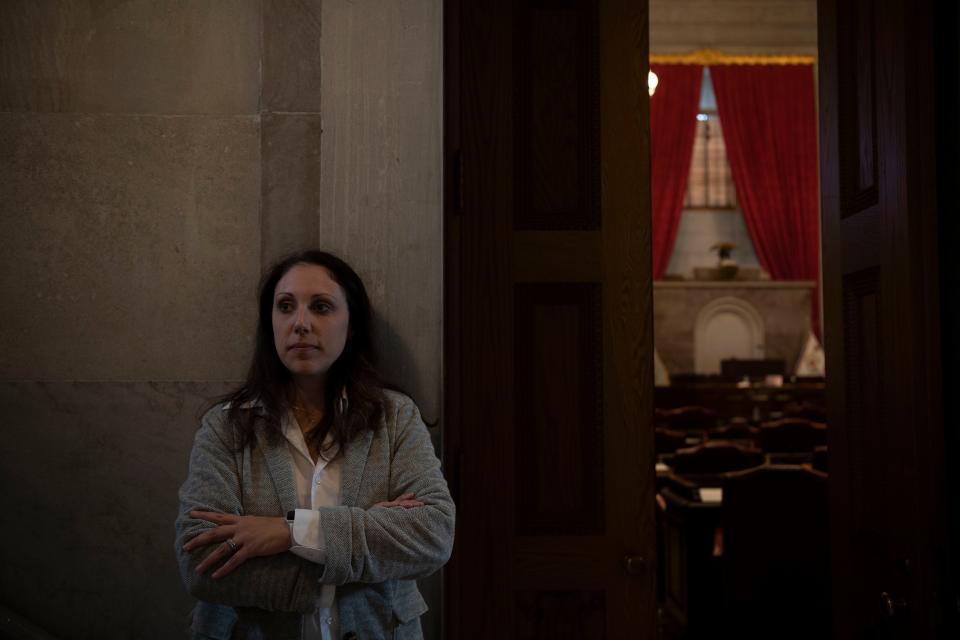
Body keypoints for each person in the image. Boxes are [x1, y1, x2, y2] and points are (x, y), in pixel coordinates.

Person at [174, 249, 455, 640]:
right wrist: (356, 558)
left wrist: (288, 532)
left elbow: (433, 535)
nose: (301, 323)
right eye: (285, 306)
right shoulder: (227, 425)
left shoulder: (394, 417)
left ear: (351, 324)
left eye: (321, 307)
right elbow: (201, 560)